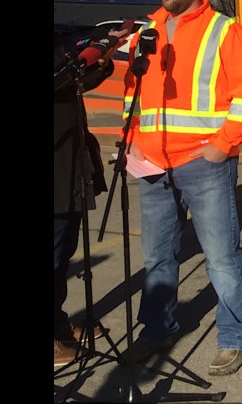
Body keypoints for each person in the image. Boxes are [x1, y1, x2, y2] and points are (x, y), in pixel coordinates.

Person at [122, 0, 242, 376]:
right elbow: (134, 93)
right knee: (159, 256)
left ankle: (233, 337)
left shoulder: (225, 31)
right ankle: (158, 331)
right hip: (152, 162)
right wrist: (133, 142)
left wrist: (221, 145)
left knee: (221, 256)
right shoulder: (145, 33)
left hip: (204, 162)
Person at [54, 26, 128, 368]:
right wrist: (89, 55)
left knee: (62, 253)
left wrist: (105, 57)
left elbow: (76, 81)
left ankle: (58, 326)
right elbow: (62, 77)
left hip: (69, 164)